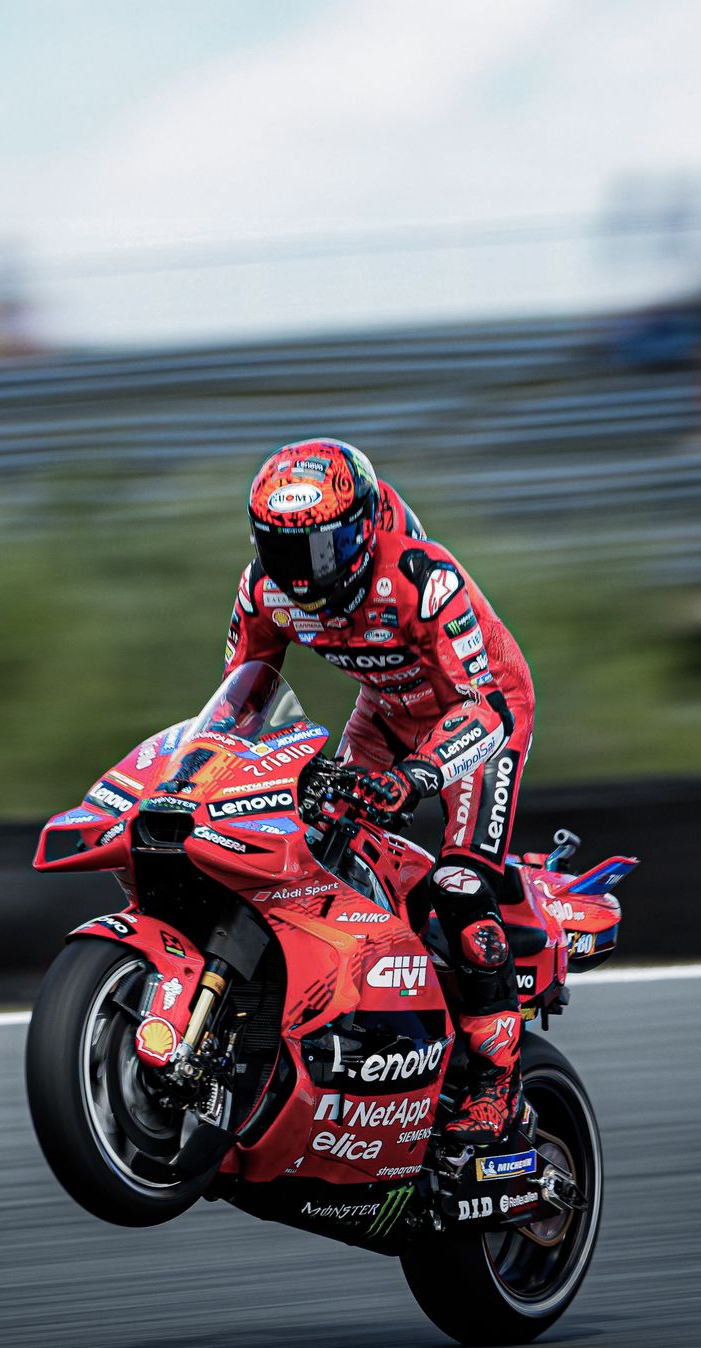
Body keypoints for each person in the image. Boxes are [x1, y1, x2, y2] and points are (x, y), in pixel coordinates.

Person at [223, 438, 535, 1146]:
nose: (300, 574)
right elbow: (237, 702)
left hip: (478, 715)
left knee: (458, 886)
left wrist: (417, 776)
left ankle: (499, 1082)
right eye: (281, 549)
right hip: (387, 710)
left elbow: (486, 707)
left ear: (360, 530)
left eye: (319, 550)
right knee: (315, 839)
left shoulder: (424, 579)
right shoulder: (262, 591)